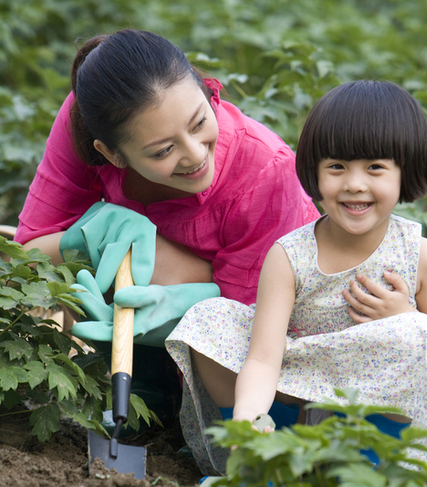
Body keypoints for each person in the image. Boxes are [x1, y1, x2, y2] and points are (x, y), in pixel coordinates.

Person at [165, 80, 427, 487]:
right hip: (301, 384)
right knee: (210, 318)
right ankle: (273, 452)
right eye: (337, 167)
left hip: (374, 407)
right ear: (315, 172)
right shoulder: (290, 255)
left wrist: (407, 317)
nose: (354, 184)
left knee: (423, 334)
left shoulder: (419, 255)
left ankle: (377, 467)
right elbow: (263, 358)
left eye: (375, 167)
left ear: (404, 172)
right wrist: (248, 421)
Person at [14, 29, 319, 421]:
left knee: (134, 254)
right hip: (188, 326)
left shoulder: (265, 170)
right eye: (163, 150)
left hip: (269, 354)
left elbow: (252, 325)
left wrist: (183, 306)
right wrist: (82, 237)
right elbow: (24, 261)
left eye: (199, 122)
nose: (194, 155)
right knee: (111, 246)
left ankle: (178, 409)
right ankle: (145, 395)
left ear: (207, 91)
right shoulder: (89, 117)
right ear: (110, 152)